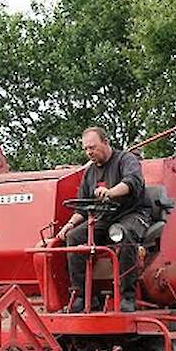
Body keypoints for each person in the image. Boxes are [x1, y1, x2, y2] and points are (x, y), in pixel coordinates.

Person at [55, 127, 150, 312]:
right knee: (74, 238)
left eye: (92, 147)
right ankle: (83, 296)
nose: (89, 152)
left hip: (132, 214)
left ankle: (126, 296)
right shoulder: (89, 172)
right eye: (86, 149)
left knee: (121, 234)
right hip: (105, 217)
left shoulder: (125, 160)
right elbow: (82, 206)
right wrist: (69, 224)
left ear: (106, 142)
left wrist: (110, 192)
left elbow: (132, 182)